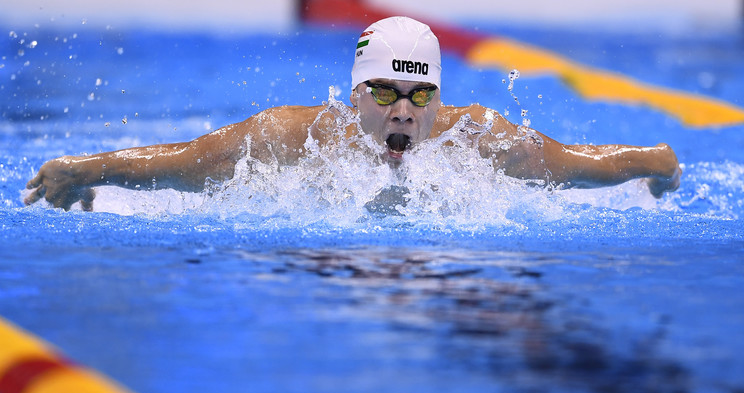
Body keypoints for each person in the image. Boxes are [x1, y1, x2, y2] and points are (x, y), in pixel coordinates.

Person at [24, 16, 681, 212]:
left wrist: (653, 163)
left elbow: (572, 165)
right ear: (356, 94)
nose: (404, 110)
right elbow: (184, 162)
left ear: (437, 100)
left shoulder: (477, 138)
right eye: (386, 92)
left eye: (420, 95)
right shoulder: (290, 137)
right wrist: (87, 170)